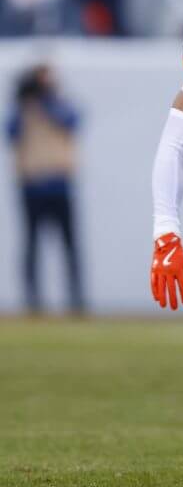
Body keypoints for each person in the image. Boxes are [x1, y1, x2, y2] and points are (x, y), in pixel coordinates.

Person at [6, 64, 84, 314]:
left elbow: (71, 120)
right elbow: (10, 132)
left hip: (59, 183)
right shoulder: (23, 109)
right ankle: (33, 301)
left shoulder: (59, 105)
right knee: (32, 246)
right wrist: (24, 102)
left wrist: (45, 101)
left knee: (69, 246)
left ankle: (76, 300)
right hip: (32, 184)